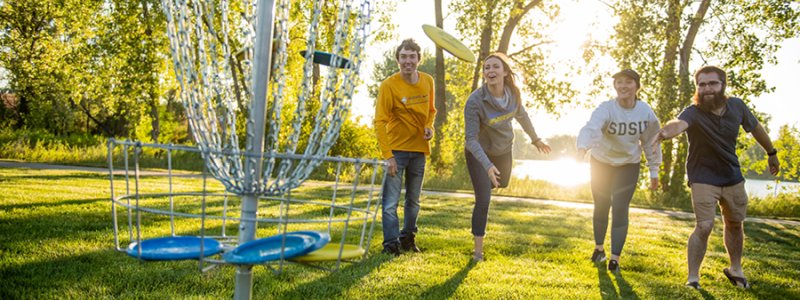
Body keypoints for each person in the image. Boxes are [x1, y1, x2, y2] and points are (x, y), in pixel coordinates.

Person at [650, 66, 780, 289]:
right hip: (703, 177)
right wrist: (664, 133)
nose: (707, 88)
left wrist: (771, 153)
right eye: (701, 84)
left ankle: (735, 269)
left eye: (712, 83)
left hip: (732, 175)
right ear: (697, 88)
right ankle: (693, 278)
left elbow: (756, 129)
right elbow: (677, 124)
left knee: (735, 223)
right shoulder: (693, 111)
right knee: (704, 226)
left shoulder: (737, 106)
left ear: (723, 85)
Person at [464, 52, 551, 262]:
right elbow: (471, 140)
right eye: (486, 68)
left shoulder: (513, 94)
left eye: (495, 67)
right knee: (483, 198)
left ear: (505, 72)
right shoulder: (475, 101)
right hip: (479, 153)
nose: (490, 71)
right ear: (484, 74)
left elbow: (522, 116)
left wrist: (535, 139)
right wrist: (486, 166)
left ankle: (484, 184)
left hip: (503, 150)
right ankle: (478, 252)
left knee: (502, 183)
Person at [576, 69, 662, 272]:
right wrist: (582, 148)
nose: (623, 86)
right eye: (619, 82)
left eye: (629, 82)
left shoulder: (645, 112)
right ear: (615, 87)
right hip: (601, 163)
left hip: (628, 165)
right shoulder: (606, 108)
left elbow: (652, 141)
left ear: (637, 86)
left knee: (621, 207)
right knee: (602, 204)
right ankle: (599, 248)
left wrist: (654, 171)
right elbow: (592, 127)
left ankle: (615, 258)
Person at [374, 38, 436, 256]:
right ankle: (390, 244)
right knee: (390, 202)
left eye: (412, 56)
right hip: (396, 152)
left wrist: (429, 127)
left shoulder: (428, 81)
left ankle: (408, 238)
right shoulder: (389, 85)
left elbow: (431, 111)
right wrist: (388, 155)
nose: (407, 61)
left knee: (414, 201)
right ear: (398, 60)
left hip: (420, 151)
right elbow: (380, 121)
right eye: (403, 57)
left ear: (419, 59)